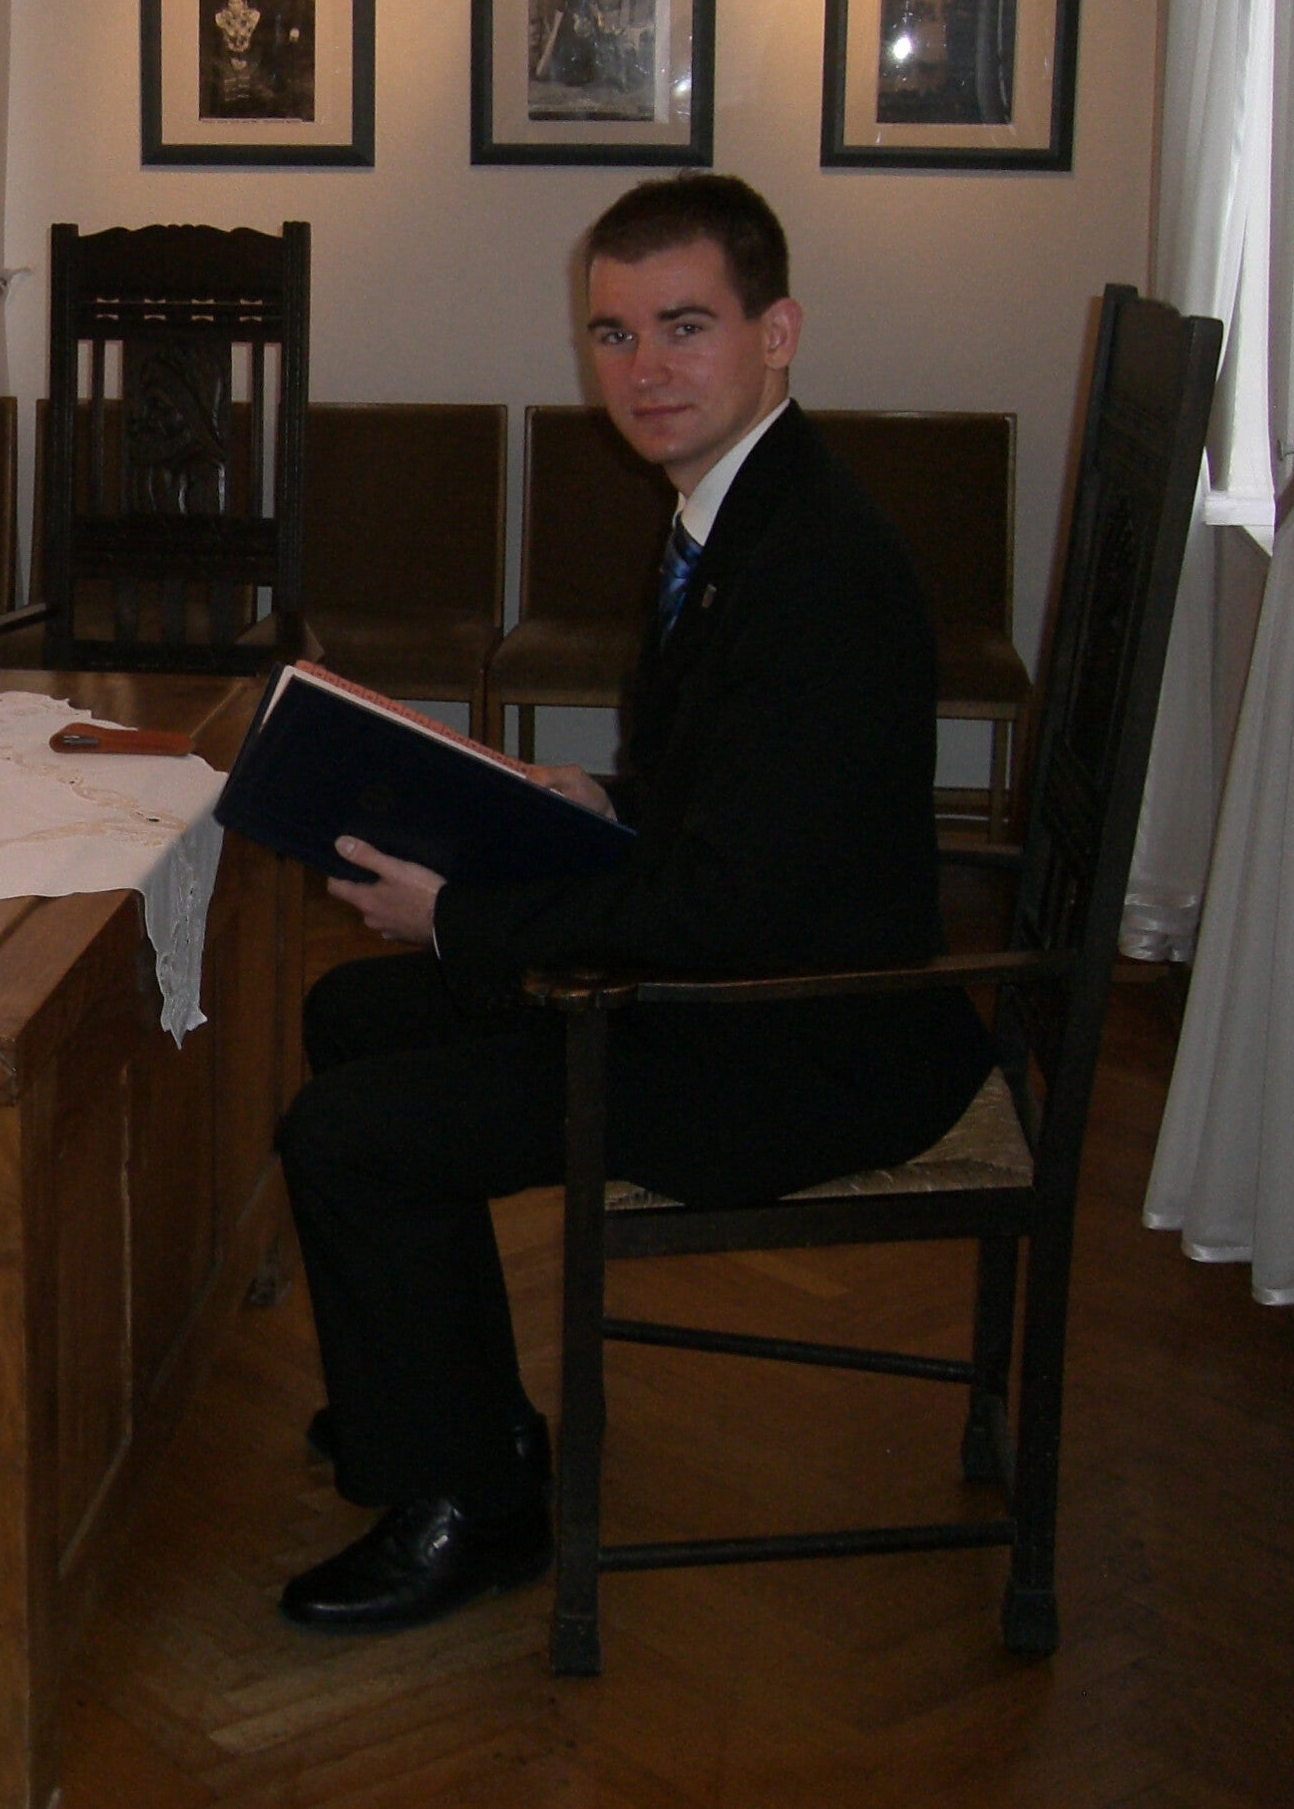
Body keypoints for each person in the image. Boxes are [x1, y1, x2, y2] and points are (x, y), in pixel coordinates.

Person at [275, 173, 994, 1635]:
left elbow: (731, 911)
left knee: (350, 1132)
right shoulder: (737, 512)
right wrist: (597, 802)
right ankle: (453, 1414)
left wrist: (463, 918)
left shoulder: (818, 571)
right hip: (741, 975)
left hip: (800, 1039)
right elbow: (733, 805)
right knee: (352, 1013)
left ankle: (474, 1509)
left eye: (684, 326)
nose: (644, 370)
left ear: (776, 332)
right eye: (613, 334)